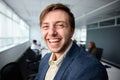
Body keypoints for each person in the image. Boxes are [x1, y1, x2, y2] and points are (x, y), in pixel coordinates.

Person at [35, 3, 108, 80]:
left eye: (60, 25)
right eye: (45, 26)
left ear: (71, 31)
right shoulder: (45, 59)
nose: (51, 33)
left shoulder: (91, 69)